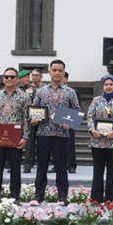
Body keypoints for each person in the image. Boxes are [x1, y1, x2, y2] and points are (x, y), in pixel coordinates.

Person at [31, 60, 79, 202]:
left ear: (64, 73)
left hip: (61, 134)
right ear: (49, 72)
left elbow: (76, 110)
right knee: (42, 166)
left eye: (60, 70)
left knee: (61, 166)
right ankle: (39, 194)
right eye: (55, 70)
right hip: (43, 133)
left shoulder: (70, 92)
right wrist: (33, 119)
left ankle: (63, 195)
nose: (57, 73)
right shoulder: (41, 91)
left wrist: (69, 123)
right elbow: (35, 110)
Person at [0, 68, 30, 201]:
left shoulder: (24, 97)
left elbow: (26, 119)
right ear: (3, 79)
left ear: (17, 79)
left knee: (15, 168)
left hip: (16, 138)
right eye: (6, 77)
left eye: (12, 77)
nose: (9, 79)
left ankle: (14, 196)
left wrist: (25, 137)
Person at [86, 74, 113, 203]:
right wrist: (92, 130)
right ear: (103, 86)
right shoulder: (96, 100)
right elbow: (89, 116)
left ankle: (111, 198)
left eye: (111, 84)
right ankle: (96, 198)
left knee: (111, 171)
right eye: (106, 84)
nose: (108, 87)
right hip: (97, 141)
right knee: (98, 171)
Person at [22, 69, 42, 173]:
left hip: (42, 118)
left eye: (36, 75)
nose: (34, 77)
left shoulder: (44, 88)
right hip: (31, 117)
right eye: (32, 75)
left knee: (42, 143)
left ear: (41, 77)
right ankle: (28, 164)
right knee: (29, 142)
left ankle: (42, 163)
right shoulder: (28, 89)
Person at [63, 71, 79, 174]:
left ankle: (71, 165)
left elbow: (76, 108)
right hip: (55, 122)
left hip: (69, 120)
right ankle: (56, 164)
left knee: (70, 144)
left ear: (66, 79)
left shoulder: (73, 91)